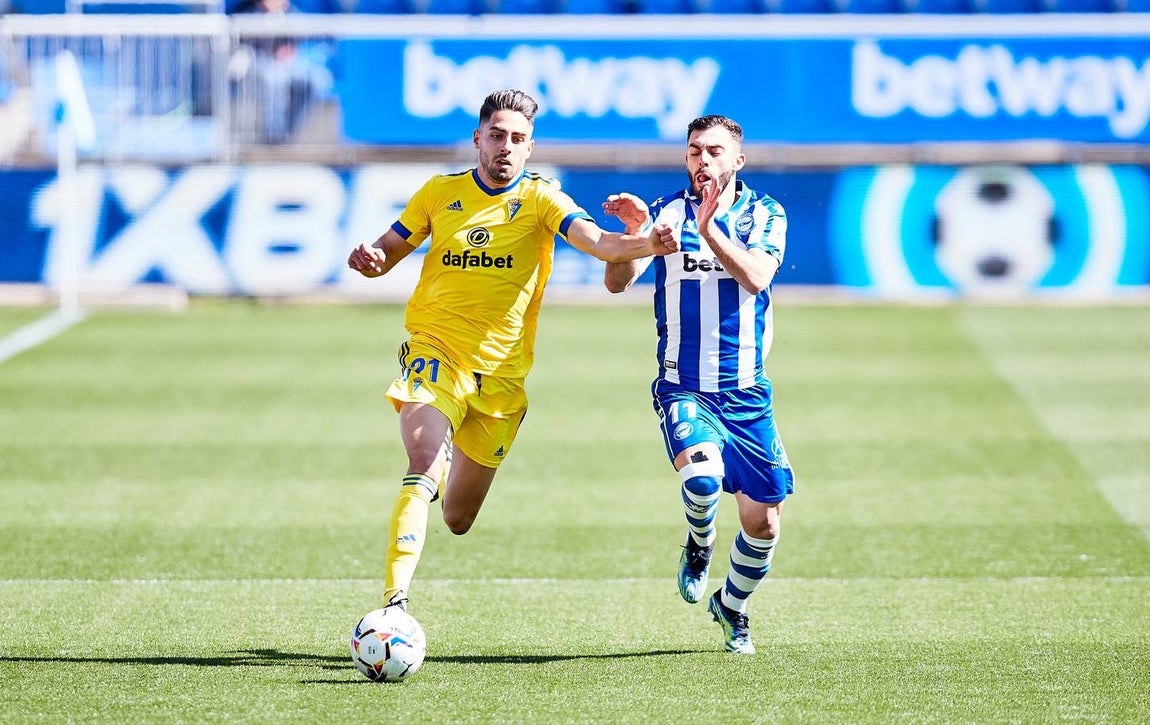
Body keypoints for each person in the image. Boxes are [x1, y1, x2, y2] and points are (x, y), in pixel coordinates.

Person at [347, 89, 678, 614]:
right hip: (436, 352)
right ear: (477, 139)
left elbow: (601, 245)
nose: (505, 146)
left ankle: (451, 441)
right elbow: (387, 251)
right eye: (496, 135)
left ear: (530, 147)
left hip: (501, 377)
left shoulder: (544, 199)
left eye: (517, 138)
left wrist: (646, 243)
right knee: (424, 462)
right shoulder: (439, 192)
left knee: (456, 517)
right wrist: (368, 258)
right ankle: (393, 606)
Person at [602, 114, 795, 655]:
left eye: (714, 151)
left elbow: (756, 276)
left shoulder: (765, 214)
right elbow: (616, 283)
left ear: (738, 160)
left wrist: (709, 229)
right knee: (704, 479)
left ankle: (731, 606)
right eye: (693, 151)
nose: (702, 161)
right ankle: (698, 545)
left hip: (747, 393)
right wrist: (635, 239)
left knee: (763, 524)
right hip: (682, 386)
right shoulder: (664, 212)